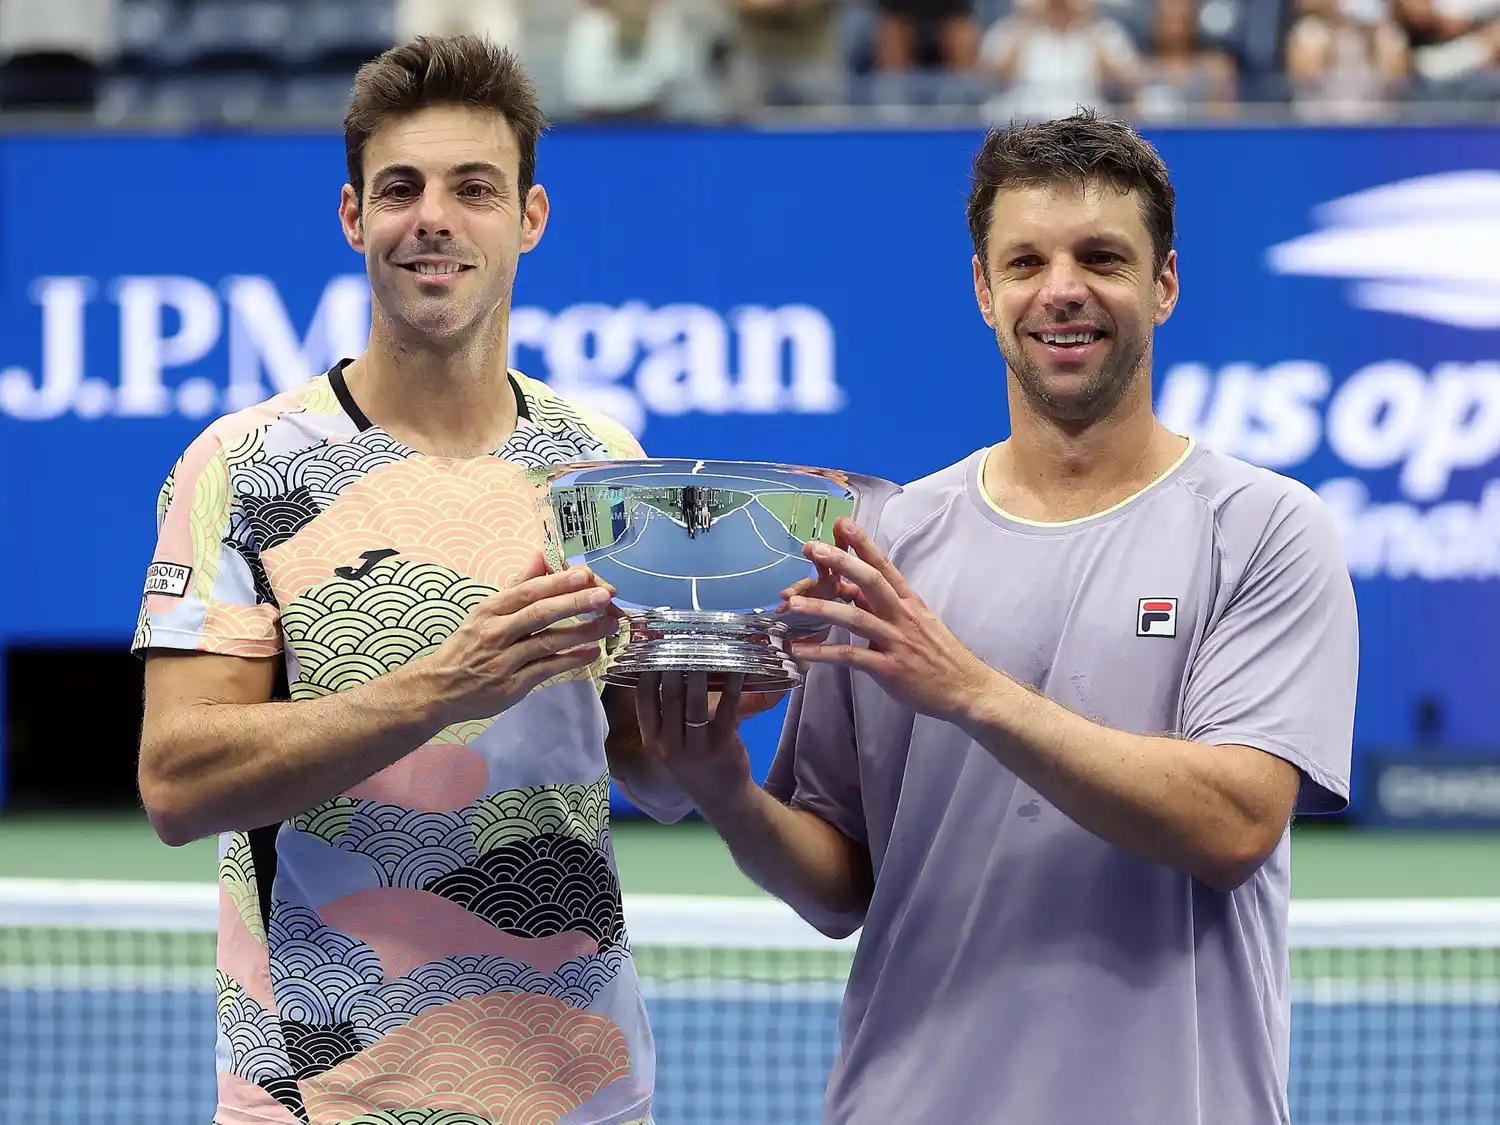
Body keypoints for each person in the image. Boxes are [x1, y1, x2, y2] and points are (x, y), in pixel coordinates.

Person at [633, 109, 1359, 1124]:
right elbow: (842, 887)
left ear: (1165, 285)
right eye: (1026, 262)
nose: (1062, 290)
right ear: (984, 291)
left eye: (1103, 257)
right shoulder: (884, 541)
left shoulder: (1266, 528)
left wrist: (971, 692)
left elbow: (1234, 823)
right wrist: (727, 794)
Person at [133, 33, 715, 1125]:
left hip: (584, 1094)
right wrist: (449, 685)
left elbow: (658, 783)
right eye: (399, 188)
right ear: (353, 217)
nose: (433, 218)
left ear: (529, 219)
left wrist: (710, 720)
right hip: (318, 1100)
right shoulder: (242, 467)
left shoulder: (604, 458)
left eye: (474, 189)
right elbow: (176, 782)